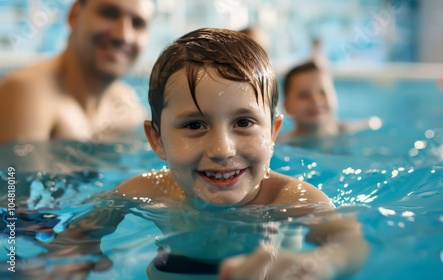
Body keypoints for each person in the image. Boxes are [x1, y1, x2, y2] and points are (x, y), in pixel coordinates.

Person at [16, 28, 368, 279]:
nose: (222, 150)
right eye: (194, 126)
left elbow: (347, 241)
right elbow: (82, 229)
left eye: (244, 122)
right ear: (157, 141)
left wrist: (320, 266)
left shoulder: (292, 198)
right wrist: (68, 254)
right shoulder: (148, 191)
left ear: (274, 133)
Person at [0, 0, 155, 144]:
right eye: (109, 14)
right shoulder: (25, 92)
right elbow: (12, 173)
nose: (123, 35)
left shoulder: (128, 106)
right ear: (74, 15)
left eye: (138, 24)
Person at [277, 61, 382, 142]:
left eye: (323, 93)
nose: (315, 100)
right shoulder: (280, 142)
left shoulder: (354, 131)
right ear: (286, 106)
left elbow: (374, 122)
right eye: (304, 95)